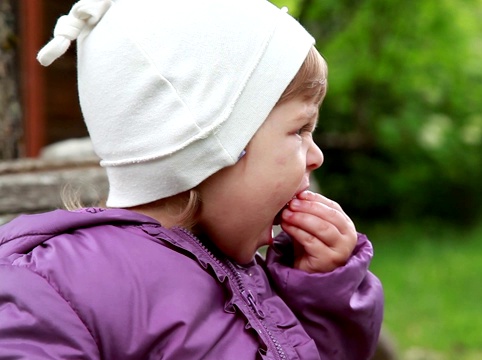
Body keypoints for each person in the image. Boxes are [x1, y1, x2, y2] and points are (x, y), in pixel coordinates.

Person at [0, 0, 384, 359]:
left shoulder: (243, 272)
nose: (316, 157)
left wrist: (323, 292)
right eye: (300, 129)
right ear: (209, 143)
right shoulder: (57, 286)